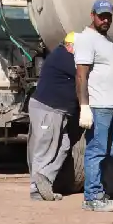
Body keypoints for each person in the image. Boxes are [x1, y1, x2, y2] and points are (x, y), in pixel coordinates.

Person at [74, 0, 113, 213]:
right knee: (96, 151)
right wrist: (84, 106)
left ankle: (100, 192)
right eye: (101, 16)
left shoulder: (106, 40)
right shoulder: (87, 39)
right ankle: (92, 197)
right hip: (98, 105)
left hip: (111, 104)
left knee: (110, 151)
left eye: (108, 16)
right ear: (92, 15)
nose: (105, 20)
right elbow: (81, 75)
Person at [27, 31, 78, 201]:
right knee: (44, 148)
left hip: (56, 111)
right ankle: (36, 189)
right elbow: (83, 73)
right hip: (47, 110)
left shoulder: (62, 55)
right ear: (70, 46)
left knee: (63, 146)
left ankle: (44, 180)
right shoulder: (64, 57)